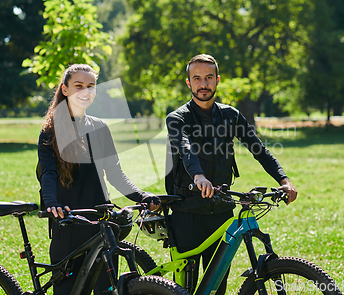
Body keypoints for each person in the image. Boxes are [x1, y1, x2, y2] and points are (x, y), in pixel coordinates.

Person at [165, 54, 297, 295]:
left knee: (218, 287)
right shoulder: (177, 118)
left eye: (208, 78)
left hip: (222, 211)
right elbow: (186, 149)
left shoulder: (230, 116)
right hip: (188, 212)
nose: (203, 84)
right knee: (184, 289)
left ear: (217, 80)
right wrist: (198, 176)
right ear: (188, 83)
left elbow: (259, 150)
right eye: (197, 78)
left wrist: (284, 180)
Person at [37, 64, 160, 295]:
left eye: (91, 86)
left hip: (100, 223)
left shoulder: (100, 127)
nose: (85, 91)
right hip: (68, 222)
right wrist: (52, 203)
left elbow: (115, 173)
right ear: (64, 89)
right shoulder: (50, 130)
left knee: (107, 291)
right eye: (78, 86)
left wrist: (142, 196)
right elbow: (48, 173)